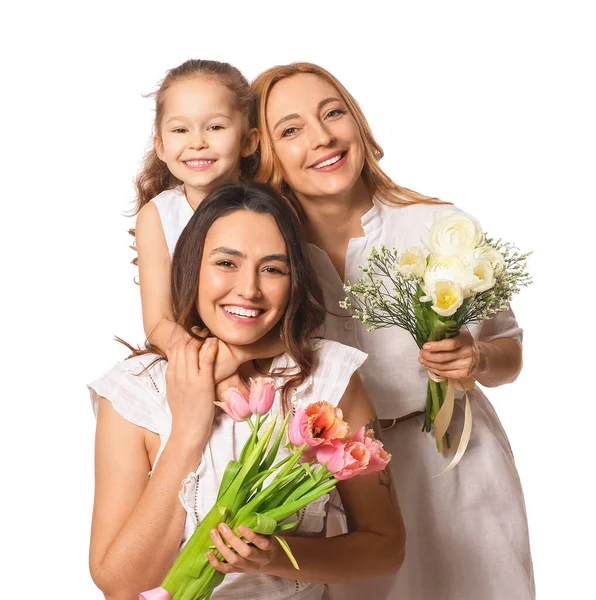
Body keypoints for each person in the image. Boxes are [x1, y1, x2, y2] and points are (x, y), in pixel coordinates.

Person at [251, 62, 535, 600]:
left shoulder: (440, 226)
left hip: (455, 465)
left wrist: (476, 358)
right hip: (341, 481)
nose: (322, 137)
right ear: (265, 156)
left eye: (333, 113)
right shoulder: (266, 255)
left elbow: (511, 353)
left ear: (359, 125)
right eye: (290, 130)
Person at [88, 183, 405, 600]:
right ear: (190, 269)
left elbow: (386, 548)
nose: (249, 289)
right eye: (226, 263)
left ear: (294, 281)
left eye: (273, 269)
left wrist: (274, 555)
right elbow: (119, 585)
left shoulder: (330, 379)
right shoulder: (134, 391)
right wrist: (187, 432)